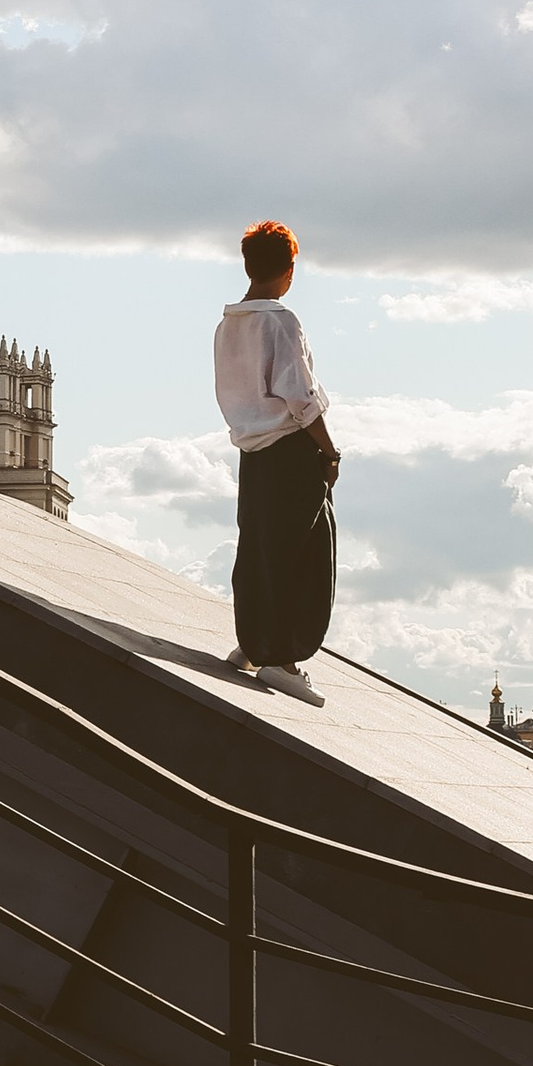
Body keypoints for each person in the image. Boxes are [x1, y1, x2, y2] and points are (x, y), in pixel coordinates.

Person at [213, 219, 340, 705]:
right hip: (290, 450)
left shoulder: (228, 325)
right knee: (304, 554)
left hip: (252, 452)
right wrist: (328, 451)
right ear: (288, 269)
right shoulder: (280, 320)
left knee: (259, 547)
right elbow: (301, 397)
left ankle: (253, 643)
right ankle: (283, 660)